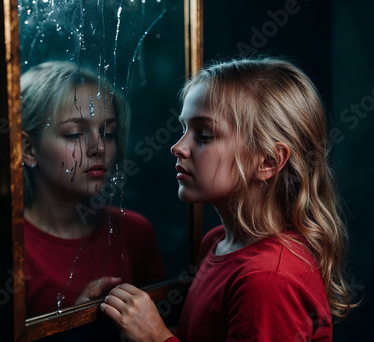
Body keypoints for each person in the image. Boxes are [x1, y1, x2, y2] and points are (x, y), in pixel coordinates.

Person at [100, 56, 356, 341]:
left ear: (267, 161)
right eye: (184, 129)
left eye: (205, 135)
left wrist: (155, 337)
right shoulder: (215, 242)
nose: (177, 147)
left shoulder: (267, 280)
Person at [21, 60, 167, 318]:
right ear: (29, 149)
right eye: (75, 134)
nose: (98, 148)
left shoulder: (134, 233)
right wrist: (71, 325)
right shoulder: (12, 248)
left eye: (108, 133)